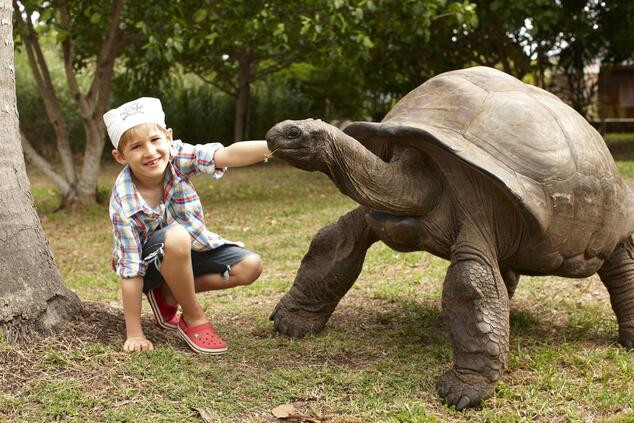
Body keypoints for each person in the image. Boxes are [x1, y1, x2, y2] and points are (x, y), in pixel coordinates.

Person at [104, 97, 270, 354]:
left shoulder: (177, 156)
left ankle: (168, 296)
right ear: (120, 156)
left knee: (250, 266)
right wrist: (135, 333)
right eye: (136, 146)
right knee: (177, 234)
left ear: (168, 137)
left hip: (190, 250)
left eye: (155, 140)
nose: (149, 152)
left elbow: (225, 154)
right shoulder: (123, 203)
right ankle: (193, 318)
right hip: (150, 268)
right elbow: (130, 271)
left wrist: (276, 145)